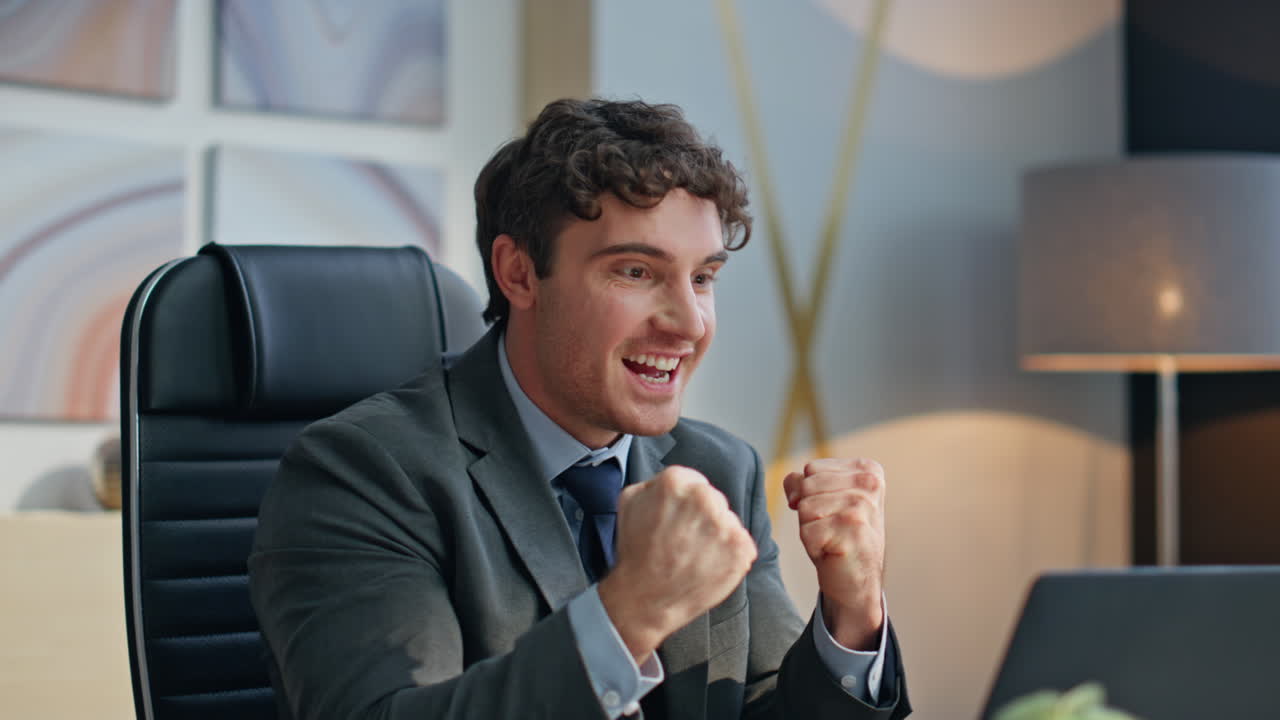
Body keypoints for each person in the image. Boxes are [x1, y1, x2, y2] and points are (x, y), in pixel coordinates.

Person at [249, 98, 910, 720]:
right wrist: (628, 614)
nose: (688, 324)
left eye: (703, 277)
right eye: (635, 272)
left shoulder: (718, 469)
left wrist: (852, 616)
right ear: (519, 273)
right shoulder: (362, 471)